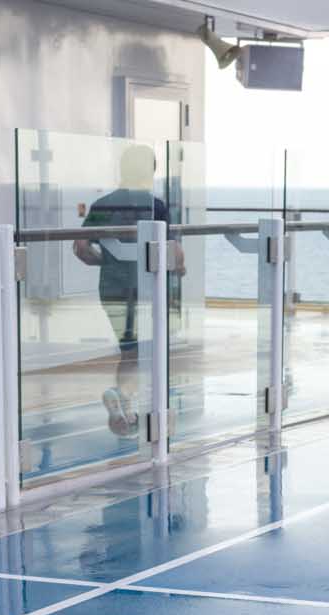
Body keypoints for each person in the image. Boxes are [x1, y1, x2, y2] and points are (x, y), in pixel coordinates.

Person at [73, 145, 184, 438]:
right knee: (144, 352)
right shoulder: (155, 206)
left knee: (130, 350)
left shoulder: (102, 205)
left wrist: (107, 261)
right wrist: (180, 270)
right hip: (147, 288)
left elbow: (81, 248)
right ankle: (122, 395)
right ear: (150, 171)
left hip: (112, 286)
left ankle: (126, 406)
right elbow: (174, 251)